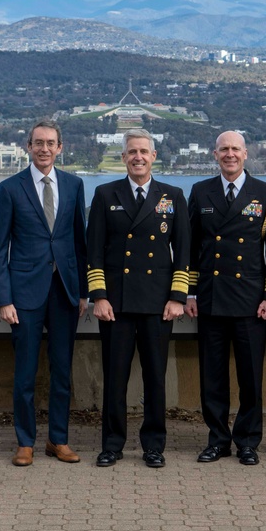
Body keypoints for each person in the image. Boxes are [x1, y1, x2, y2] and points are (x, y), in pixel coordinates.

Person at [87, 128, 190, 468]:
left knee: (154, 378)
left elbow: (183, 253)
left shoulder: (172, 195)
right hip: (115, 304)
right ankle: (112, 444)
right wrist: (98, 296)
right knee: (114, 378)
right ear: (124, 157)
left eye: (144, 151)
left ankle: (153, 445)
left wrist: (178, 296)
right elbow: (95, 252)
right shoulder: (105, 194)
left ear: (154, 156)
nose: (138, 157)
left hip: (158, 304)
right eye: (132, 152)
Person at [0, 119, 88, 467]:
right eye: (38, 143)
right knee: (25, 373)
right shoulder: (9, 188)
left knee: (63, 371)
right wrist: (4, 298)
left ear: (60, 148)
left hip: (64, 293)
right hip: (24, 295)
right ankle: (25, 442)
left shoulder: (75, 185)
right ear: (28, 147)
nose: (44, 148)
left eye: (50, 143)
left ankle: (58, 440)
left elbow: (80, 241)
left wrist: (83, 292)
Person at [185, 131, 266, 466]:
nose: (230, 155)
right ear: (215, 154)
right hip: (211, 298)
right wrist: (191, 291)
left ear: (245, 154)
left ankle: (247, 441)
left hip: (250, 300)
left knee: (250, 377)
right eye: (223, 149)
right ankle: (217, 440)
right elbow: (191, 246)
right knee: (212, 377)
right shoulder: (201, 192)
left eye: (235, 149)